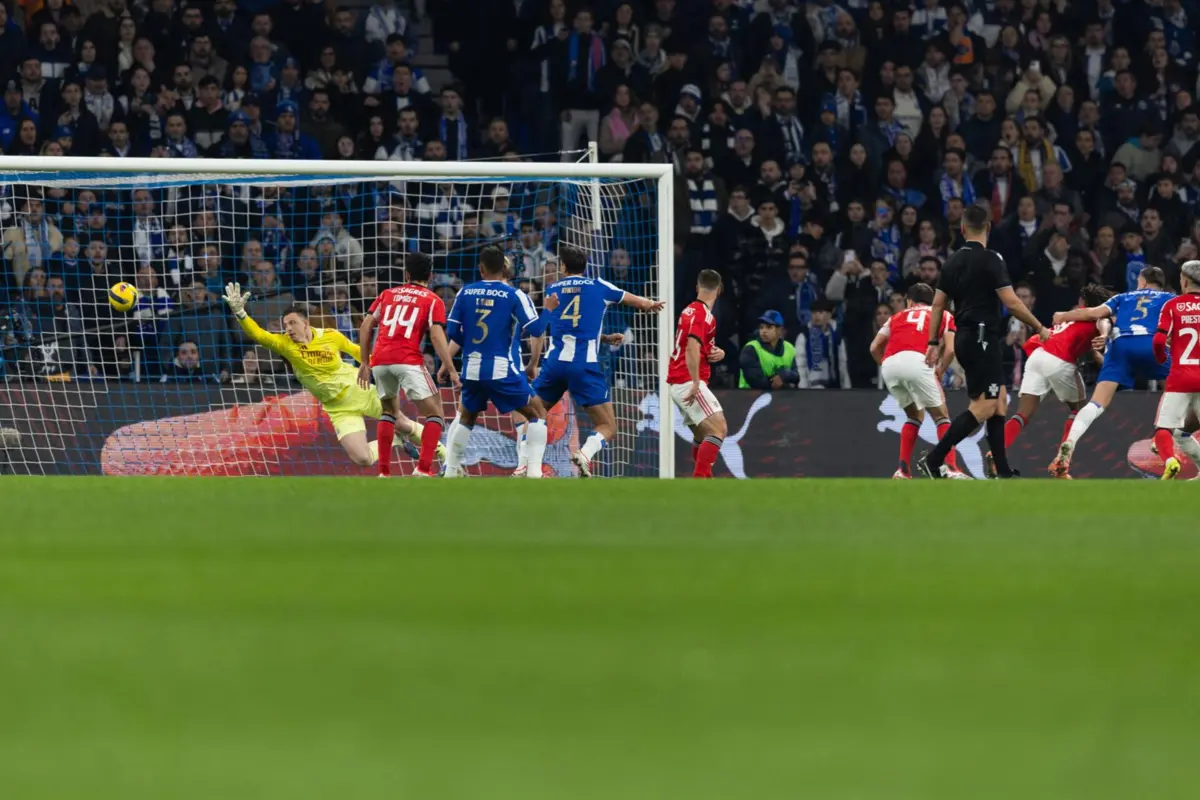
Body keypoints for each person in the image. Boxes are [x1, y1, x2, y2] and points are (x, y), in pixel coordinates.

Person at [222, 285, 429, 468]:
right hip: (337, 405)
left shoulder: (329, 335)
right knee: (362, 459)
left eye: (292, 323)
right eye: (285, 325)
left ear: (305, 324)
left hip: (359, 388)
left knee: (402, 422)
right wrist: (240, 313)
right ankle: (395, 440)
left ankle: (444, 456)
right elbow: (258, 334)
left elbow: (357, 351)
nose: (288, 329)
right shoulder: (283, 343)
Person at [919, 204, 1049, 479]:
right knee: (987, 404)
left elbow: (937, 305)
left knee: (999, 400)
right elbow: (1012, 303)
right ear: (988, 228)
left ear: (963, 229)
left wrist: (933, 342)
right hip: (981, 338)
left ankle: (1001, 469)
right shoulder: (992, 259)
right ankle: (934, 458)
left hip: (968, 337)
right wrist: (1038, 326)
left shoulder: (952, 261)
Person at [533, 246, 663, 477]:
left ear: (563, 267)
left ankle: (528, 467)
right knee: (608, 426)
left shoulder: (552, 289)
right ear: (586, 267)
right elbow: (639, 303)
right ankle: (584, 455)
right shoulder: (600, 286)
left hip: (554, 364)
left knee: (533, 416)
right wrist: (651, 304)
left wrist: (602, 338)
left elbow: (567, 327)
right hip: (584, 366)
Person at [438, 246, 557, 479]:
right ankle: (533, 471)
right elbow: (536, 329)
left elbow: (452, 330)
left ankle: (450, 470)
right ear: (504, 268)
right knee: (537, 413)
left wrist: (469, 348)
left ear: (480, 269)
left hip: (471, 368)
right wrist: (549, 310)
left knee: (466, 418)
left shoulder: (465, 292)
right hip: (503, 368)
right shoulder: (515, 295)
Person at [1050, 267, 1175, 477]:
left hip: (1121, 345)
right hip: (1152, 344)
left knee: (1096, 403)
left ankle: (1069, 444)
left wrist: (1063, 315)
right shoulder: (1169, 299)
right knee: (1173, 390)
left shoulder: (1124, 297)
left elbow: (1093, 313)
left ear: (1142, 282)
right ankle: (1161, 434)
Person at [356, 255, 456, 478]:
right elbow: (437, 335)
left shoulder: (387, 294)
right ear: (429, 276)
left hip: (380, 361)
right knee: (435, 415)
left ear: (407, 275)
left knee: (389, 412)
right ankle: (423, 468)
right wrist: (450, 368)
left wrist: (364, 362)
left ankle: (383, 472)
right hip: (408, 359)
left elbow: (365, 326)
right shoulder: (432, 300)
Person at [1002, 285, 1113, 469]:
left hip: (1037, 354)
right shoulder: (1096, 316)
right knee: (1079, 410)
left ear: (1082, 301)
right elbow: (1104, 322)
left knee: (1022, 414)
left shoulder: (1070, 316)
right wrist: (1104, 334)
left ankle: (997, 452)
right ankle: (1062, 462)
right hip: (1059, 359)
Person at [872, 282, 965, 479]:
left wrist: (888, 366)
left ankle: (903, 471)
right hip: (918, 360)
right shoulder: (944, 314)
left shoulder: (895, 317)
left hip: (890, 364)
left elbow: (874, 347)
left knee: (914, 416)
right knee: (942, 416)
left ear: (909, 301)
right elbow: (950, 350)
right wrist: (939, 371)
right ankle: (951, 468)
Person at [667, 269, 728, 478]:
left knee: (703, 435)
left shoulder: (690, 311)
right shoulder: (703, 315)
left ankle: (703, 482)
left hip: (679, 380)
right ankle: (700, 481)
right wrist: (695, 382)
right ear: (719, 291)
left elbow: (698, 345)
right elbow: (691, 346)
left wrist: (717, 351)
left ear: (697, 288)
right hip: (688, 380)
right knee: (719, 429)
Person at [1151, 260, 1200, 479]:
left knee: (1163, 428)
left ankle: (1170, 461)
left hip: (1180, 377)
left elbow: (1159, 340)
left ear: (1186, 280)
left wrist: (1162, 358)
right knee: (1184, 431)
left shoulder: (1172, 305)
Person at [738, 309, 799, 390]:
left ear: (779, 330)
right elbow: (756, 381)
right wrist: (783, 382)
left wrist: (784, 375)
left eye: (769, 327)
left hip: (781, 398)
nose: (764, 331)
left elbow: (798, 375)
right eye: (761, 327)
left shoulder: (790, 348)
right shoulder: (751, 349)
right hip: (749, 397)